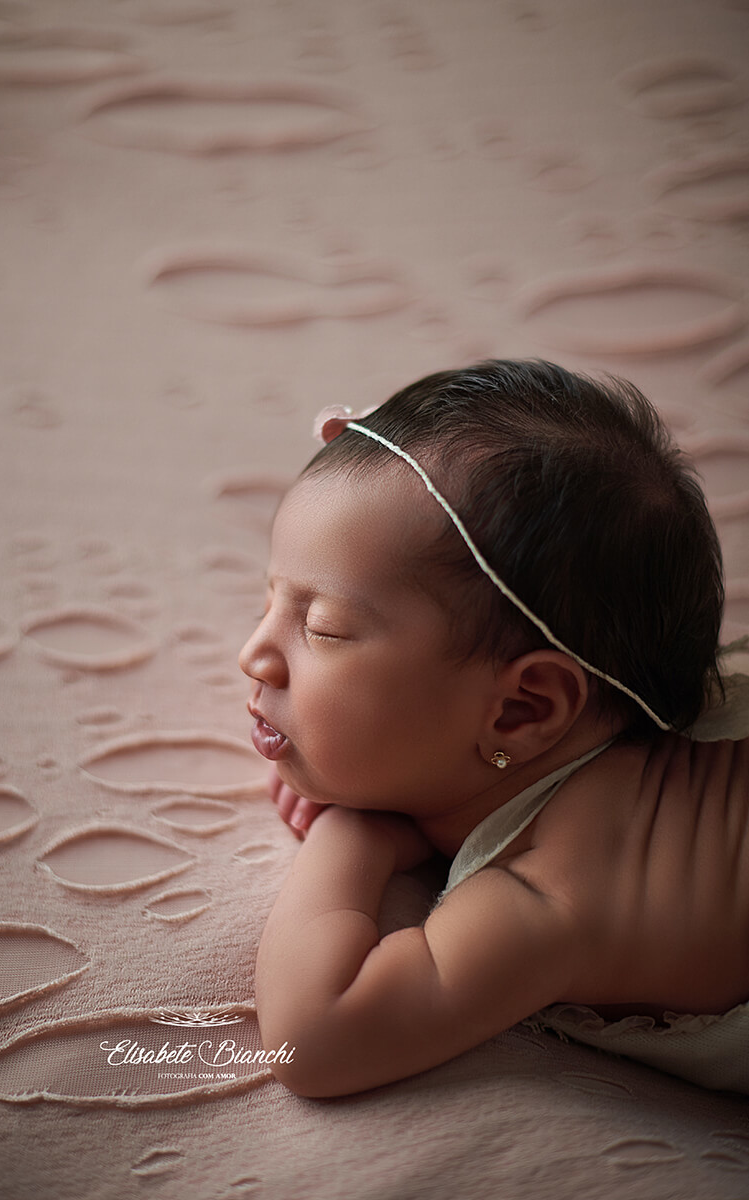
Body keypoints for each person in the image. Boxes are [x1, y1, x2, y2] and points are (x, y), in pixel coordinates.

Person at [238, 359, 749, 1098]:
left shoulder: (558, 887)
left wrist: (353, 834)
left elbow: (315, 1042)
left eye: (321, 627)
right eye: (269, 601)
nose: (252, 653)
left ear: (522, 709)